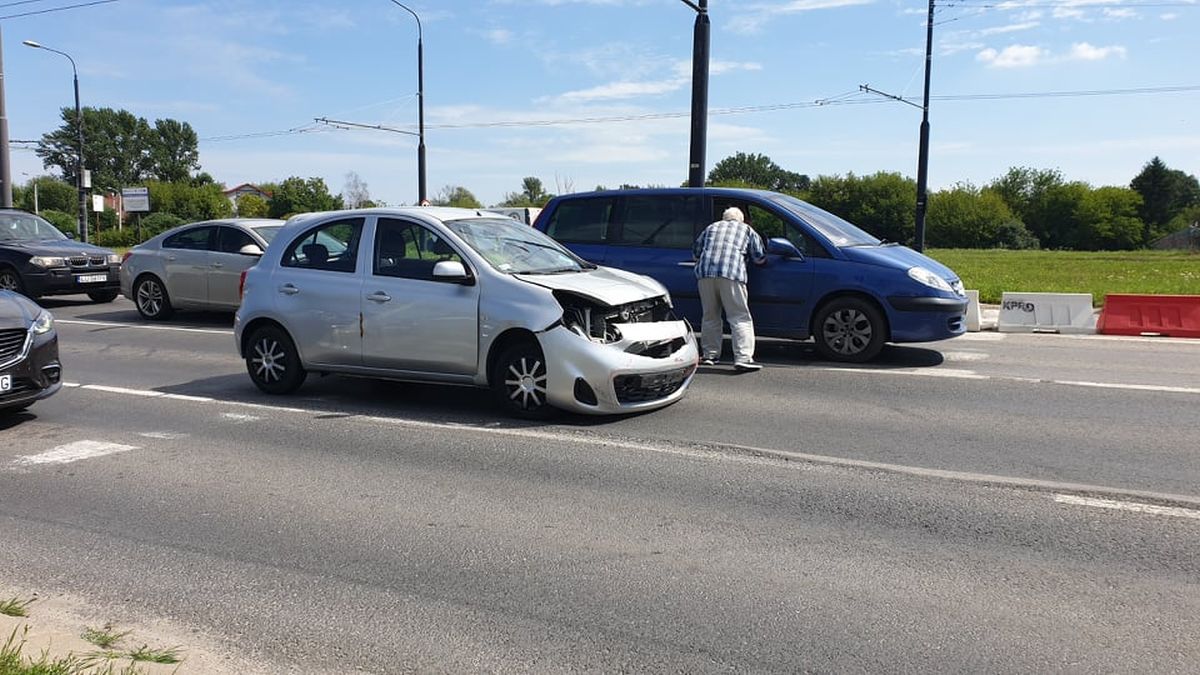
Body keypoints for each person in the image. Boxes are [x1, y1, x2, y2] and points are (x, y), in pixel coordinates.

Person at [693, 206, 767, 371]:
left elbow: (696, 253)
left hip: (705, 274)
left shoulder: (711, 227)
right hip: (731, 274)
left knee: (710, 316)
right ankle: (743, 358)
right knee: (739, 317)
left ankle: (709, 355)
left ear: (724, 218)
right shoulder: (747, 229)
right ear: (740, 219)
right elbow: (759, 257)